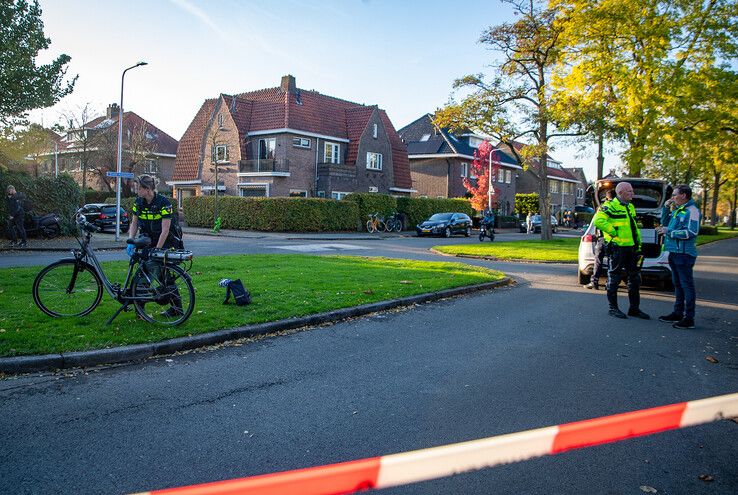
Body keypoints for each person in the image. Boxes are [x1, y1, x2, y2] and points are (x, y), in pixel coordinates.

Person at [127, 175, 184, 317]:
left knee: (160, 276)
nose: (136, 191)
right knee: (148, 275)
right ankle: (174, 309)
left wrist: (157, 249)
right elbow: (134, 223)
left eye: (138, 188)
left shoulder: (163, 203)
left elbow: (165, 230)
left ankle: (173, 309)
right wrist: (130, 241)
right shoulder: (138, 202)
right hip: (147, 242)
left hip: (164, 242)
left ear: (147, 189)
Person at [592, 182, 650, 319]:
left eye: (632, 191)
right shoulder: (609, 206)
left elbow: (633, 227)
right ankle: (613, 308)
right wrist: (613, 232)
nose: (632, 194)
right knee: (614, 278)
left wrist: (638, 245)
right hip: (618, 248)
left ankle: (634, 309)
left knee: (635, 279)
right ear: (620, 193)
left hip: (632, 248)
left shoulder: (630, 207)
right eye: (629, 191)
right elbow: (598, 221)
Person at [657, 184, 700, 329]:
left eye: (675, 195)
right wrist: (665, 208)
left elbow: (691, 232)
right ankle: (678, 312)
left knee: (687, 286)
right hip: (674, 253)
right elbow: (665, 222)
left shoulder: (692, 211)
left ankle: (689, 318)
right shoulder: (678, 211)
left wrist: (669, 232)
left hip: (685, 254)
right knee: (677, 284)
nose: (673, 197)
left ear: (683, 195)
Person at [586, 190, 615, 290]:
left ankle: (595, 282)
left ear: (606, 198)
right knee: (612, 261)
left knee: (598, 260)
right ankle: (609, 283)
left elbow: (597, 222)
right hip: (614, 239)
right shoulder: (619, 208)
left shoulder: (603, 208)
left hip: (602, 238)